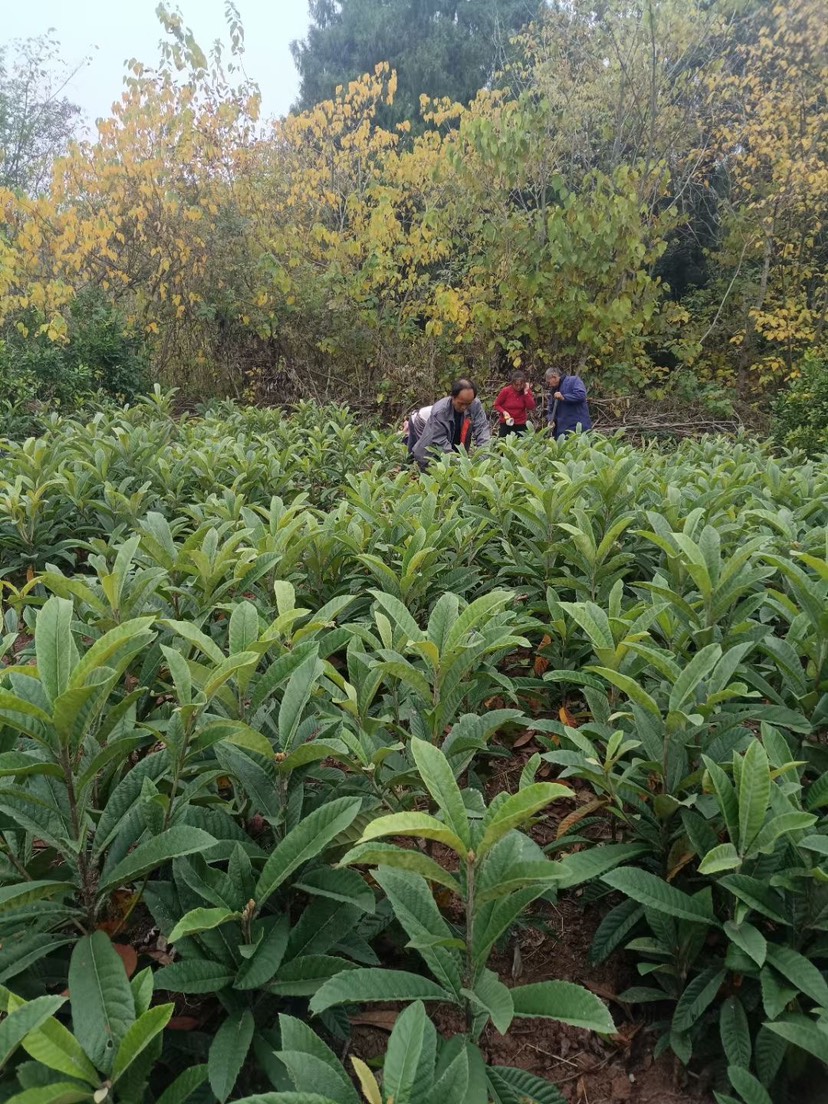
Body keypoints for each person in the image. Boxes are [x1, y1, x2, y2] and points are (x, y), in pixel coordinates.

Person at [410, 378, 491, 469]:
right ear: (453, 397)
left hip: (450, 431)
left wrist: (483, 456)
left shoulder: (475, 404)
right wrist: (457, 461)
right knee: (427, 462)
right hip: (421, 420)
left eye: (468, 404)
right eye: (461, 403)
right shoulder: (440, 411)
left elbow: (482, 428)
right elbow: (439, 439)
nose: (464, 407)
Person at [546, 367, 592, 439]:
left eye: (549, 382)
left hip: (578, 427)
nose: (549, 385)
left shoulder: (574, 380)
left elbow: (581, 395)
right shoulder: (553, 391)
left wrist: (564, 397)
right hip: (562, 430)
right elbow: (551, 409)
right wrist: (551, 420)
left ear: (554, 377)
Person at [493, 370, 536, 436]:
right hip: (507, 422)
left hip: (520, 423)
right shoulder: (506, 391)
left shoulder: (526, 391)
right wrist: (504, 412)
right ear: (512, 383)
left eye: (521, 385)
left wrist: (526, 393)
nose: (518, 387)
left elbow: (531, 407)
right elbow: (496, 404)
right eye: (516, 385)